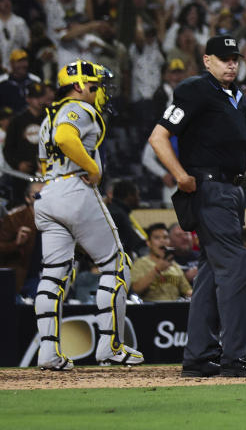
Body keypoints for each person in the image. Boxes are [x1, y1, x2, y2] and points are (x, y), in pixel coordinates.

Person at [148, 34, 246, 378]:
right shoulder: (194, 89)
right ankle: (239, 355)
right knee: (240, 270)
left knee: (210, 272)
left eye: (234, 58)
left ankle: (200, 355)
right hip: (208, 187)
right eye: (223, 58)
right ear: (207, 60)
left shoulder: (238, 98)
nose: (231, 63)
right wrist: (181, 176)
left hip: (232, 191)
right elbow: (158, 137)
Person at [33, 60, 143, 370]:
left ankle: (49, 353)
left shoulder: (46, 118)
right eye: (95, 86)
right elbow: (67, 138)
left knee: (53, 275)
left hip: (48, 195)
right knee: (117, 266)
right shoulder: (76, 108)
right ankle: (110, 347)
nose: (99, 92)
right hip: (74, 191)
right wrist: (93, 168)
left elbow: (43, 163)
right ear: (79, 86)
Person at [0, 181, 43, 297]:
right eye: (38, 194)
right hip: (20, 278)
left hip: (43, 277)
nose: (43, 197)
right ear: (28, 198)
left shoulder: (56, 220)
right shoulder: (14, 218)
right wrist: (16, 243)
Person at [130, 223, 193, 301]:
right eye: (157, 238)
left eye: (165, 237)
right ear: (149, 243)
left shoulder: (174, 265)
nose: (162, 241)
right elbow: (136, 289)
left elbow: (187, 290)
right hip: (150, 309)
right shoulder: (140, 263)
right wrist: (157, 269)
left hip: (175, 308)